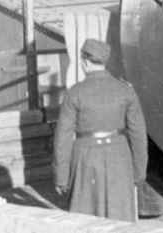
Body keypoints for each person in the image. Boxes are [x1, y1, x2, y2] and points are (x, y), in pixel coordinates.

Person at [53, 39, 148, 221]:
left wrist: (61, 177)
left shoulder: (75, 93)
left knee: (85, 217)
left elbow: (63, 139)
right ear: (103, 63)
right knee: (119, 217)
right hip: (119, 157)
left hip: (85, 158)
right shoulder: (125, 91)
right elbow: (138, 135)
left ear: (85, 62)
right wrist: (139, 172)